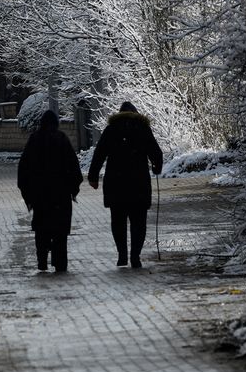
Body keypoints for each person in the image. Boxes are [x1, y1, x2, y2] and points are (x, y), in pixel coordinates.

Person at [87, 101, 163, 268]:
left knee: (118, 221)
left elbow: (99, 154)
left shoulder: (111, 129)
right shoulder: (143, 128)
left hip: (116, 183)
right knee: (139, 221)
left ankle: (122, 255)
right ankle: (135, 256)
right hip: (139, 183)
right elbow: (156, 152)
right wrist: (157, 167)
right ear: (135, 113)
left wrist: (93, 177)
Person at [17, 110, 83, 273]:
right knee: (60, 231)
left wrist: (28, 195)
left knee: (42, 229)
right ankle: (60, 262)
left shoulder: (34, 140)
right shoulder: (62, 140)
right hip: (60, 195)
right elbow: (74, 168)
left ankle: (42, 260)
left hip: (40, 195)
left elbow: (23, 170)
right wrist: (73, 190)